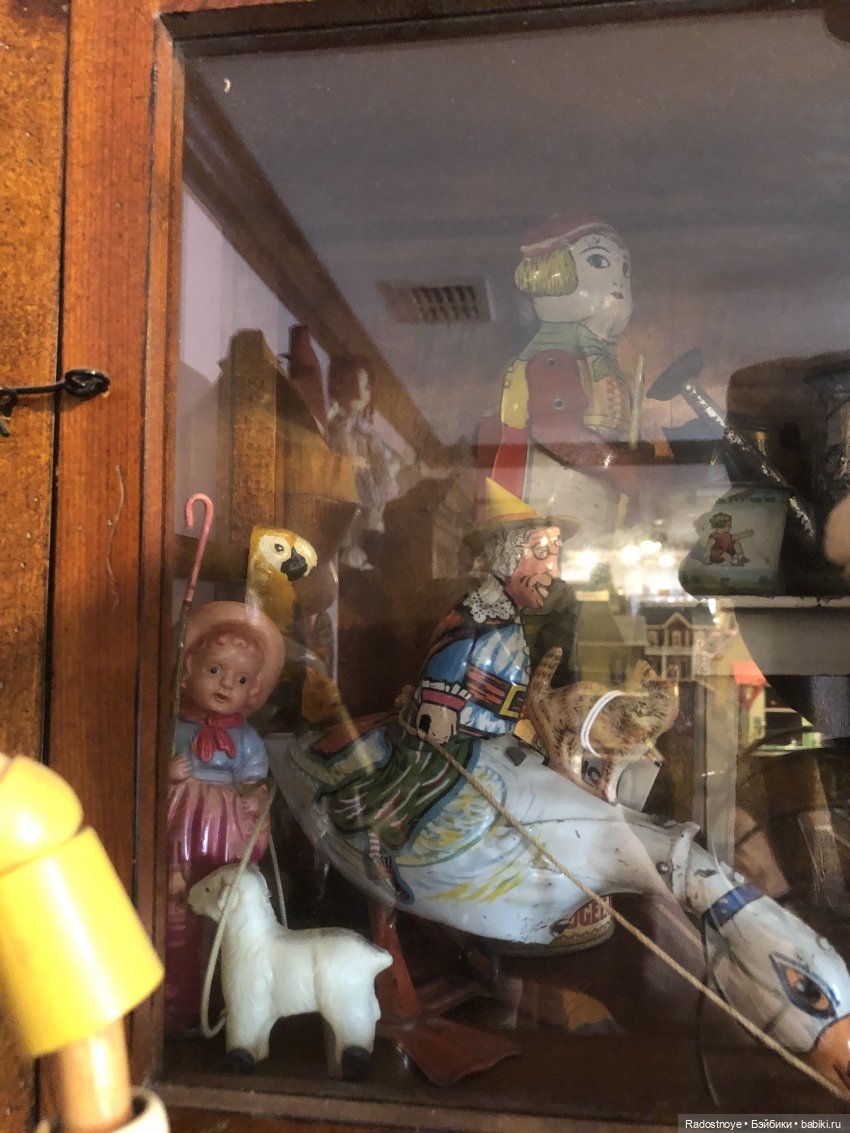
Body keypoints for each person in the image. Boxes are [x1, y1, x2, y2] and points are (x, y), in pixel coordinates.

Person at [317, 480, 579, 899]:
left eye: (555, 554)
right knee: (426, 775)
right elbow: (448, 654)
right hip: (458, 729)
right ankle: (380, 839)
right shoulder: (475, 610)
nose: (554, 570)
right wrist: (439, 706)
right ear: (506, 555)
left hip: (498, 728)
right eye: (542, 553)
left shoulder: (511, 617)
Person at [477, 216, 640, 536]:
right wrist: (618, 467)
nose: (618, 281)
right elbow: (555, 430)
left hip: (583, 494)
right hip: (553, 494)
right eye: (598, 261)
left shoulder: (594, 358)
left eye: (624, 268)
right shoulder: (553, 356)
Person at [165, 600, 285, 1033]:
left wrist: (253, 797)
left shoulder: (246, 738)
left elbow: (255, 782)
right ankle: (172, 998)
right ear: (188, 668)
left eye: (241, 679)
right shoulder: (172, 726)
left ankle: (219, 994)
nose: (225, 684)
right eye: (215, 670)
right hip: (179, 826)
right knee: (175, 908)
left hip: (224, 834)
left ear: (254, 689)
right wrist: (167, 772)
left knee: (222, 910)